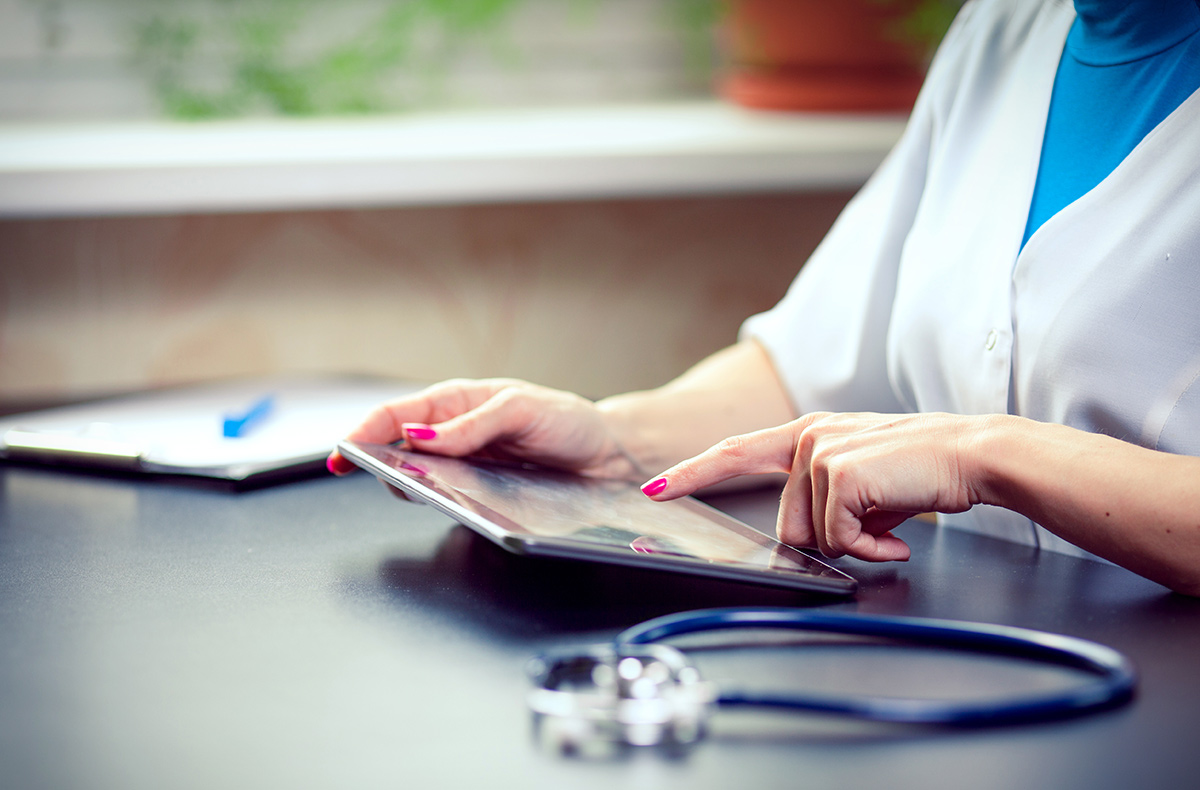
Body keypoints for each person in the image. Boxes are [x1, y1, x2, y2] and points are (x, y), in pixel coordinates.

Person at [328, 0, 1200, 595]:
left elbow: (959, 445)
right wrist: (614, 440)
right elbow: (816, 369)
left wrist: (988, 452)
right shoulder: (1007, 28)